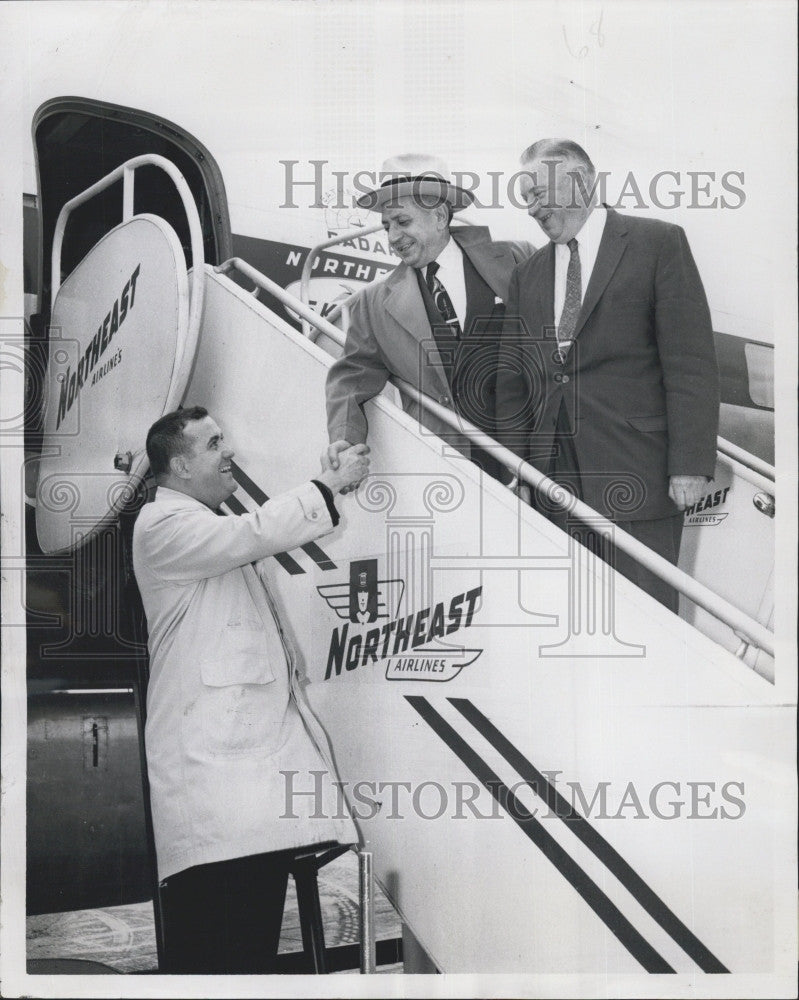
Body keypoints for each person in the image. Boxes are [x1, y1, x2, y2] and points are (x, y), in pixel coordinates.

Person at [131, 406, 369, 973]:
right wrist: (326, 485)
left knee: (245, 962)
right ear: (181, 466)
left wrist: (326, 483)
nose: (229, 451)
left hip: (244, 809)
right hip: (216, 803)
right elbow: (254, 532)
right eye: (214, 444)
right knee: (212, 964)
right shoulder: (163, 526)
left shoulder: (208, 533)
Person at [495, 139, 719, 611]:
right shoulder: (527, 274)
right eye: (524, 196)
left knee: (645, 619)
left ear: (581, 181)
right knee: (568, 618)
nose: (531, 207)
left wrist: (690, 463)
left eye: (538, 192)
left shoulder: (658, 243)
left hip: (637, 472)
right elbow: (512, 383)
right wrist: (513, 467)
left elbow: (690, 363)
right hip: (550, 481)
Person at [324, 153, 534, 482]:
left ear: (439, 216)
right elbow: (350, 378)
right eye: (387, 225)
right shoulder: (372, 305)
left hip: (533, 462)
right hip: (447, 471)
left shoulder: (517, 258)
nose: (393, 237)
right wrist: (345, 440)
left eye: (402, 222)